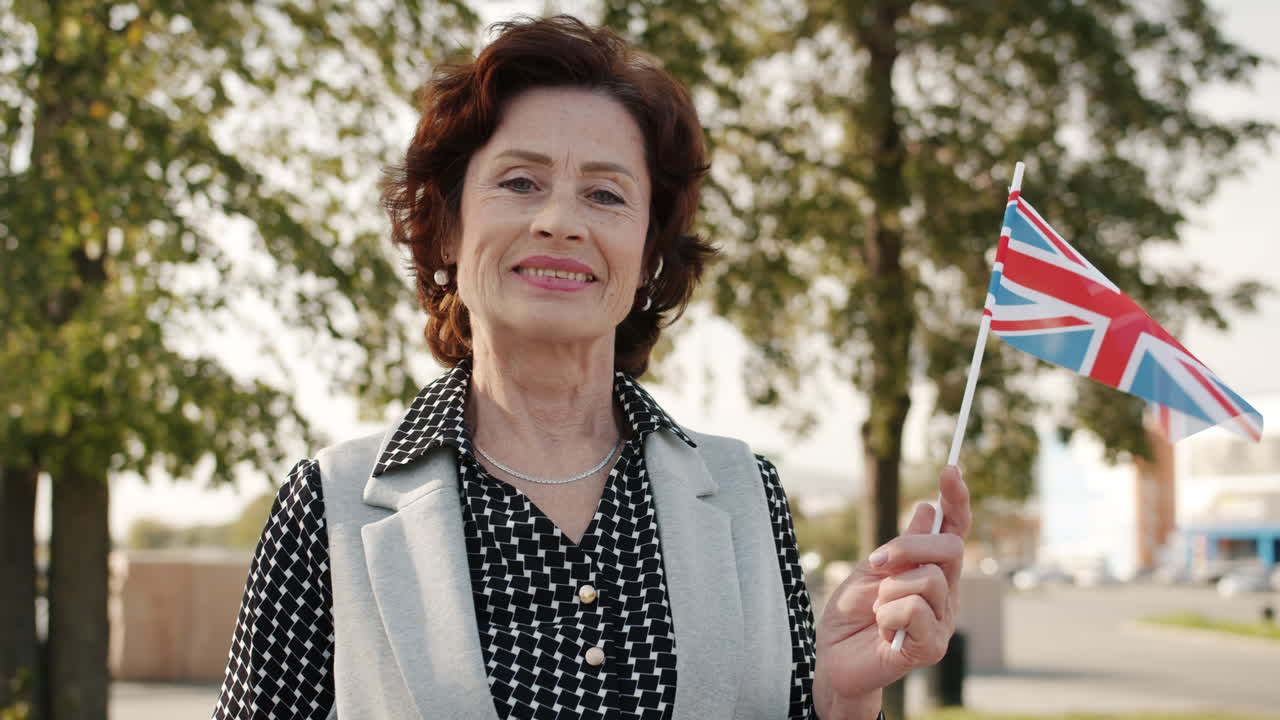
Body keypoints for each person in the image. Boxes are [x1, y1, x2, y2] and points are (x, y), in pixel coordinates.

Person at [212, 15, 970, 720]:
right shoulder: (331, 506)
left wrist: (841, 696)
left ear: (647, 256)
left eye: (605, 195)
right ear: (446, 230)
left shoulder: (747, 494)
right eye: (520, 182)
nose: (561, 222)